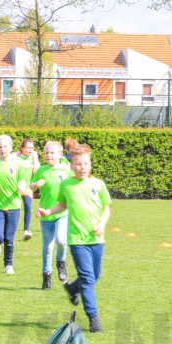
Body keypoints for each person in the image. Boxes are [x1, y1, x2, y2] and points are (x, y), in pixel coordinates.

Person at [37, 144, 111, 333]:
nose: (82, 167)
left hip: (96, 239)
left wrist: (101, 225)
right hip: (77, 240)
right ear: (71, 166)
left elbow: (106, 208)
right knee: (88, 278)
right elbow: (61, 204)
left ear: (90, 164)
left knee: (94, 276)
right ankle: (93, 318)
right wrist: (47, 211)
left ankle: (72, 288)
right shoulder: (67, 185)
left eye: (86, 163)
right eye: (78, 164)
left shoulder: (99, 185)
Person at [0, 135, 29, 275]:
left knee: (9, 239)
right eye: (0, 146)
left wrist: (21, 186)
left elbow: (22, 180)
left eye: (5, 146)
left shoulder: (17, 164)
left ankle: (8, 265)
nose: (3, 149)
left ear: (10, 147)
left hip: (14, 206)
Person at [31, 141, 73, 290]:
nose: (48, 155)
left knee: (61, 241)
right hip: (45, 214)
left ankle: (61, 262)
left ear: (60, 155)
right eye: (46, 152)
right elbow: (31, 185)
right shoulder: (42, 170)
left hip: (63, 212)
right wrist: (36, 185)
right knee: (47, 248)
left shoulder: (67, 169)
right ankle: (46, 276)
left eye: (52, 152)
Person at [17, 138, 40, 241]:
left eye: (32, 148)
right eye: (28, 148)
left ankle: (26, 230)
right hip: (16, 188)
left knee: (28, 208)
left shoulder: (33, 159)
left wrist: (36, 158)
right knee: (14, 210)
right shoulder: (17, 159)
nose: (30, 150)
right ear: (22, 148)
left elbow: (37, 172)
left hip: (28, 189)